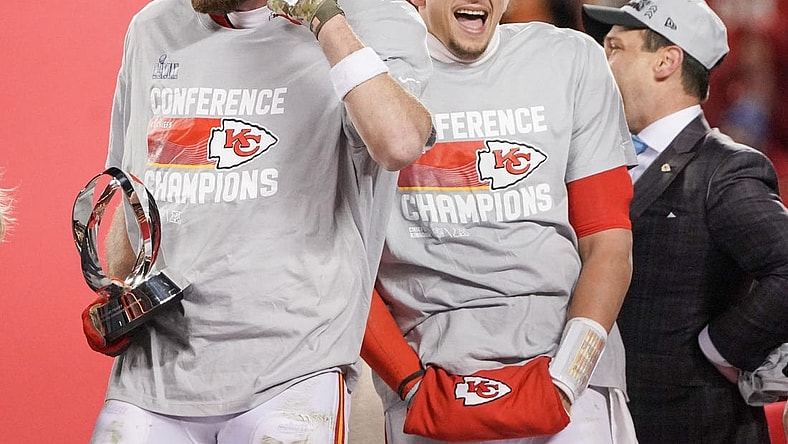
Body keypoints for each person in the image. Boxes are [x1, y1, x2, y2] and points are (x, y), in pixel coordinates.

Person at [81, 0, 435, 442]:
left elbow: (400, 143)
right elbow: (142, 179)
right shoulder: (153, 26)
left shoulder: (370, 17)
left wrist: (325, 21)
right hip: (152, 373)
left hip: (291, 371)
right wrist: (118, 294)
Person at [358, 0, 640, 442]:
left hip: (571, 381)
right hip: (433, 384)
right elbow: (344, 264)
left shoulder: (572, 59)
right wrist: (409, 382)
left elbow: (608, 244)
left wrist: (568, 377)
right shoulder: (366, 76)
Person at [582, 1, 788, 443]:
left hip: (697, 425)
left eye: (615, 47)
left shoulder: (724, 169)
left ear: (666, 61)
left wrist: (722, 349)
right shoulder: (595, 158)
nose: (602, 60)